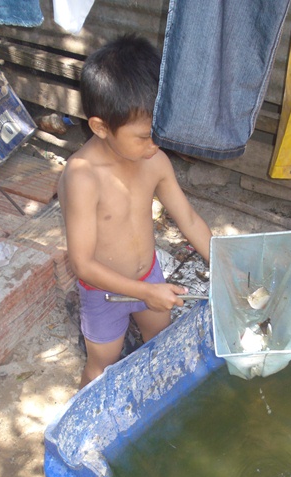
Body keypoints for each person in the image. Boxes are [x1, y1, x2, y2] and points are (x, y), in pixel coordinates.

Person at [58, 34, 212, 389]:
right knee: (101, 364)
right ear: (101, 127)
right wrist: (144, 294)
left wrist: (223, 263)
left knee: (159, 341)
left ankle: (152, 397)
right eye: (143, 136)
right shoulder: (83, 177)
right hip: (103, 291)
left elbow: (188, 219)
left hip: (150, 276)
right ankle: (85, 418)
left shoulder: (154, 160)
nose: (155, 143)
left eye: (159, 130)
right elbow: (83, 264)